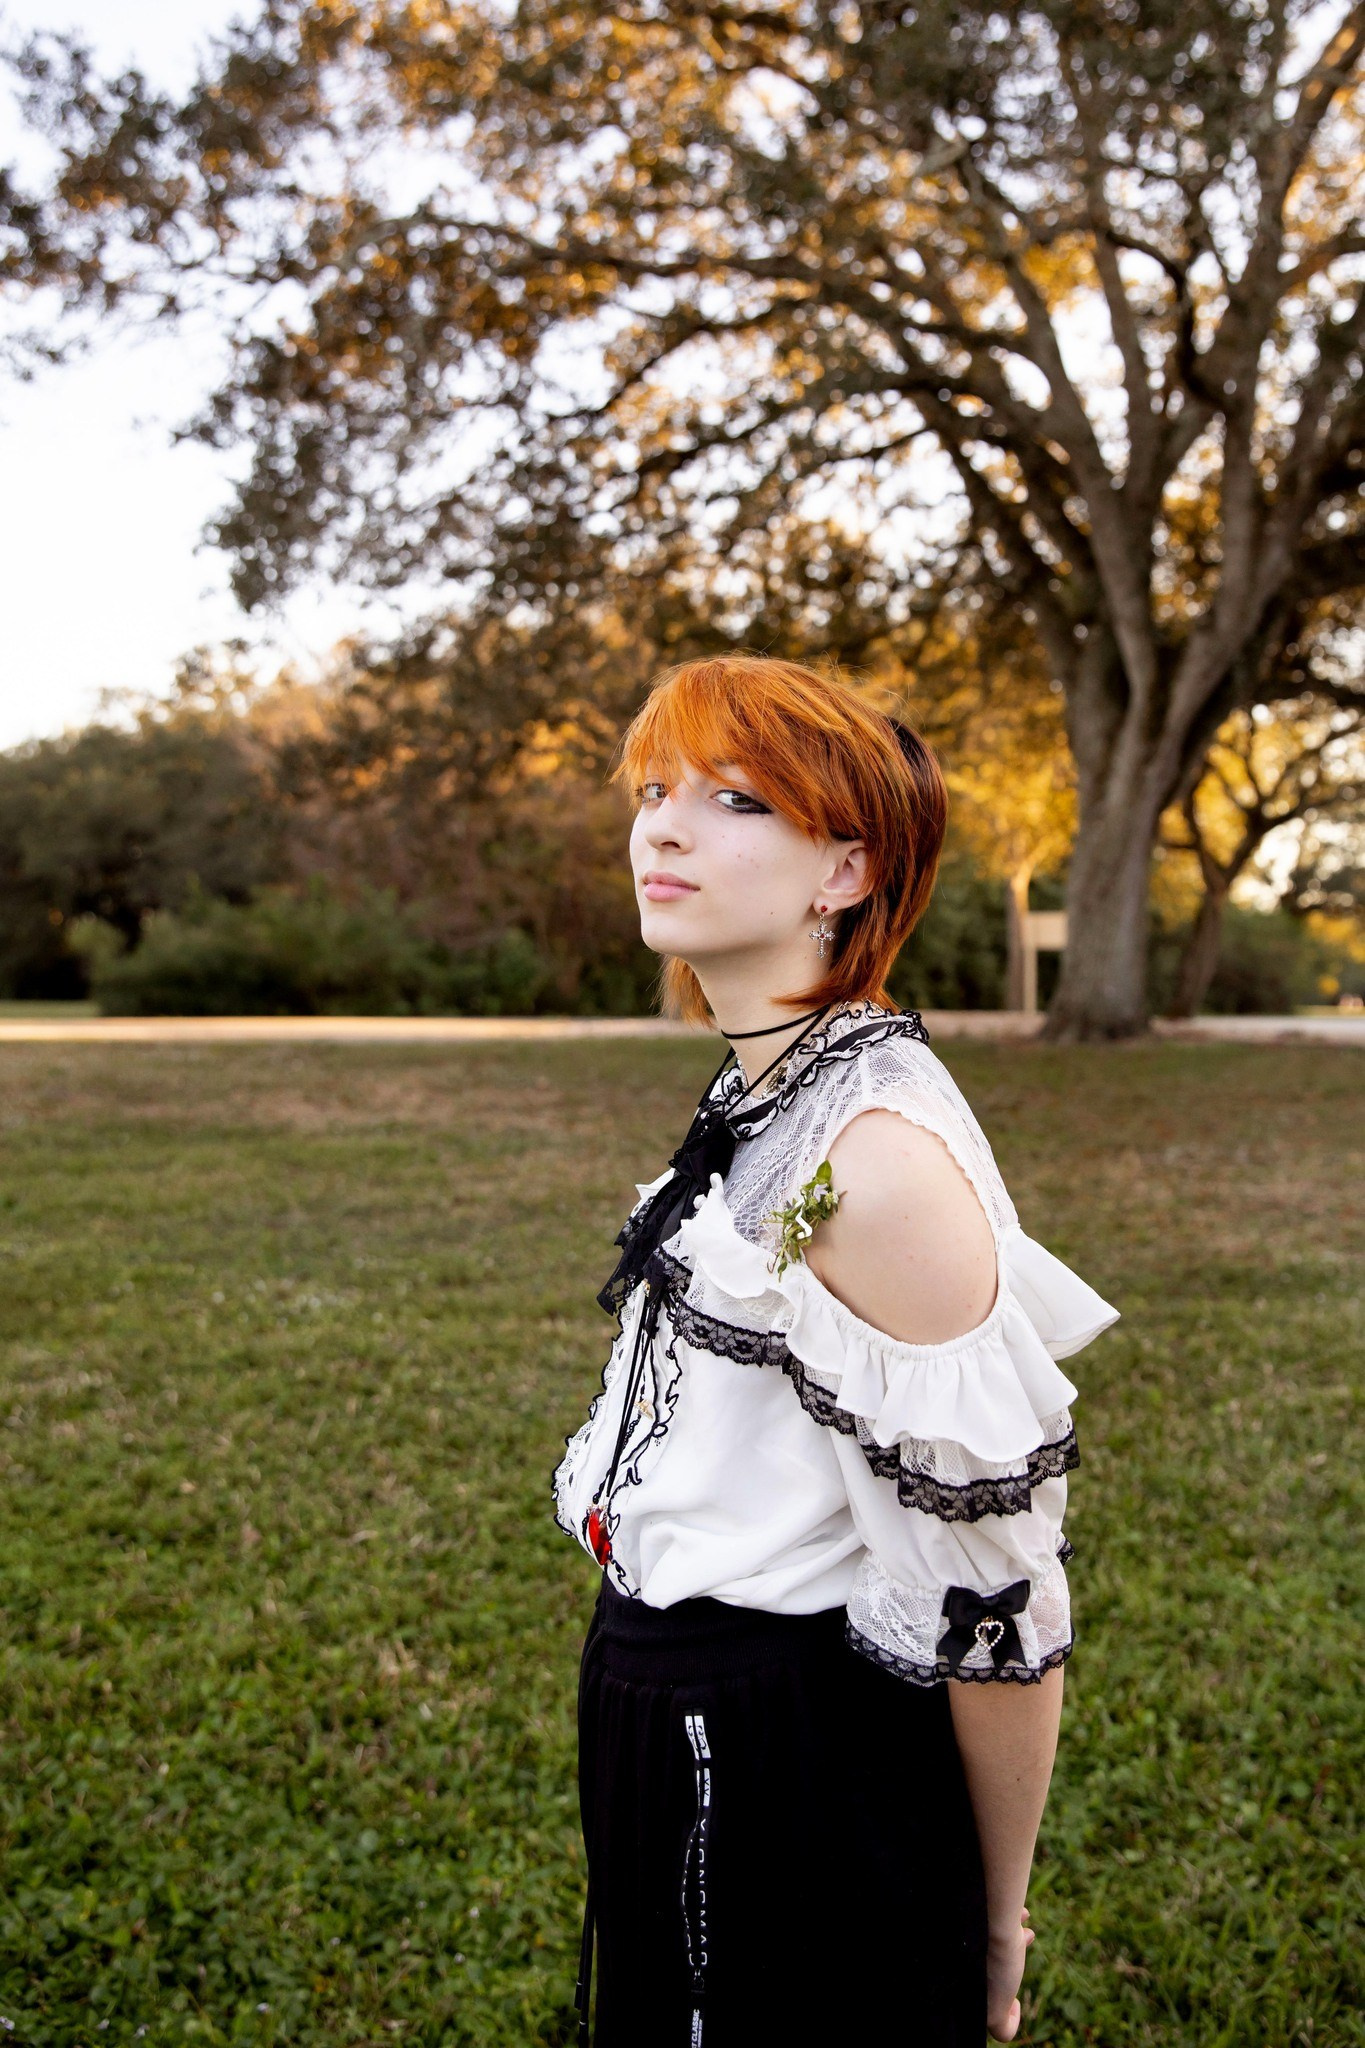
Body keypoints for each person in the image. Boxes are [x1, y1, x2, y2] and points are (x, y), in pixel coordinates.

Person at [553, 654, 1120, 2047]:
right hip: (665, 1694)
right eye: (655, 790)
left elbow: (997, 1607)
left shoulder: (874, 1159)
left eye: (733, 800)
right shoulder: (770, 1078)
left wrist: (992, 1922)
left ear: (843, 872)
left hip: (778, 1747)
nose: (663, 828)